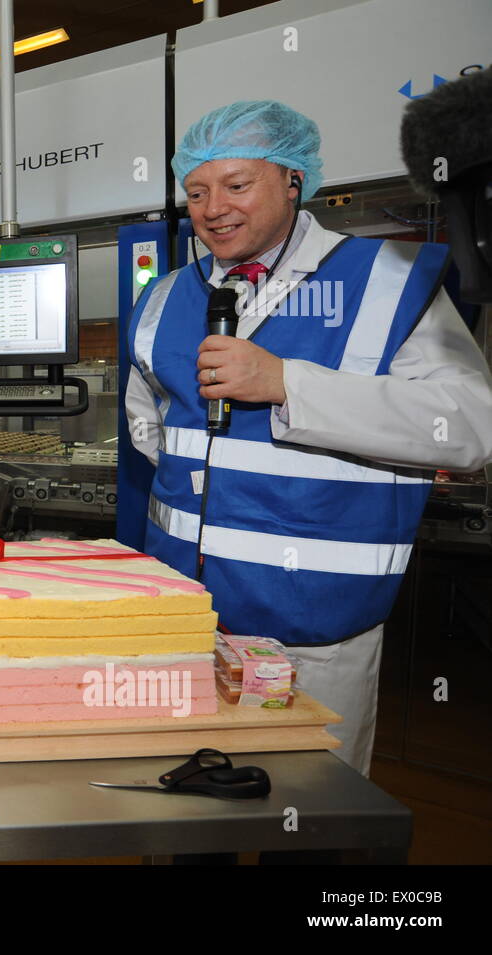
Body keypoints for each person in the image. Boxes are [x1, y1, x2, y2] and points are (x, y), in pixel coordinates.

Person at [125, 100, 492, 775]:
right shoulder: (164, 297)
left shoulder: (385, 282)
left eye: (237, 185)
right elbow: (152, 433)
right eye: (197, 191)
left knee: (309, 813)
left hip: (318, 635)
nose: (213, 208)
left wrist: (289, 383)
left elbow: (470, 428)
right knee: (186, 811)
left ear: (294, 179)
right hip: (185, 624)